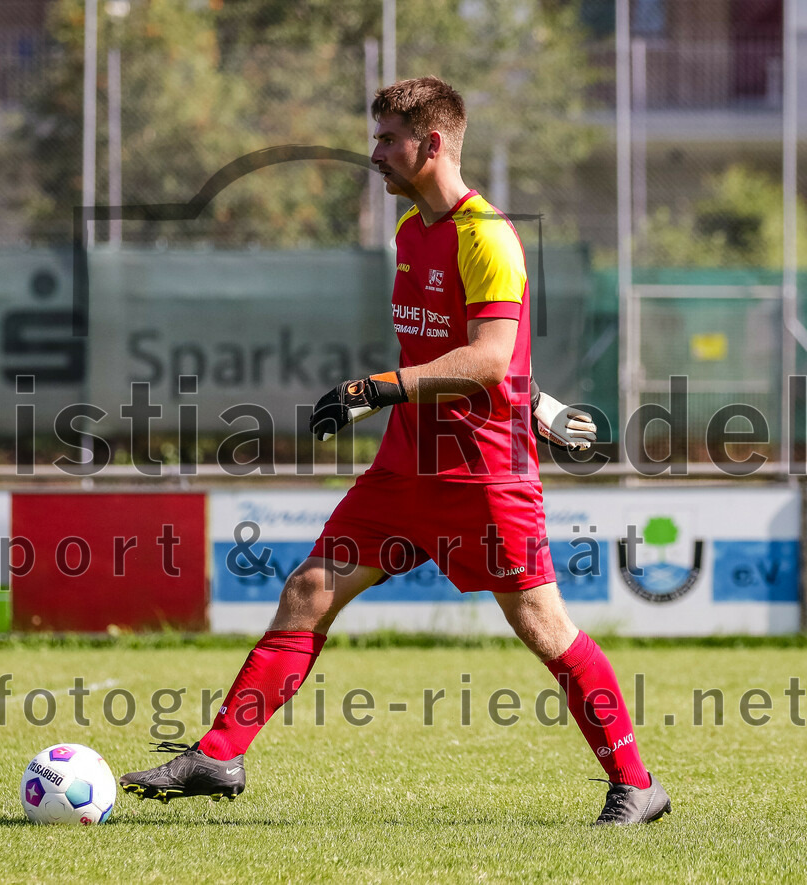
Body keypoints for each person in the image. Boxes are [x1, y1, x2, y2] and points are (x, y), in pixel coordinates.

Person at [120, 76, 670, 826]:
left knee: (542, 623)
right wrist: (530, 395)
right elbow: (471, 351)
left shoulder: (487, 236)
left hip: (482, 474)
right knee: (309, 589)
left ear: (432, 143)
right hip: (404, 468)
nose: (374, 153)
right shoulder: (412, 233)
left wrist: (376, 388)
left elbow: (486, 357)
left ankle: (636, 782)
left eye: (387, 140)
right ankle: (220, 752)